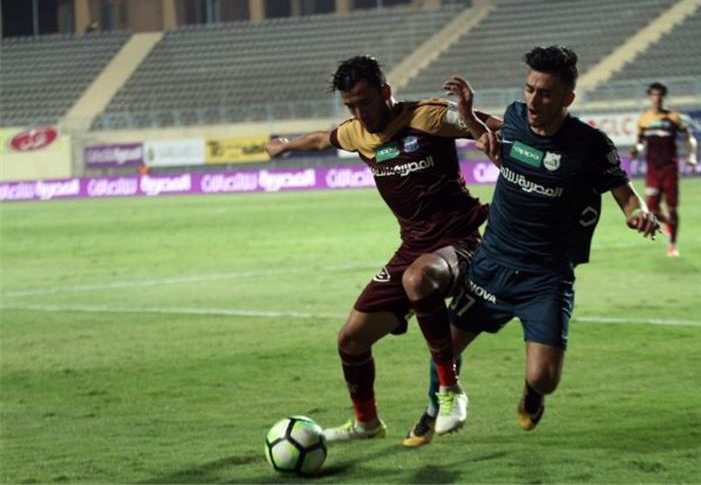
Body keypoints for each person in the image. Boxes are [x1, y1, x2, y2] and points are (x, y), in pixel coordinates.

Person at [404, 46, 660, 447]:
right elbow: (494, 146)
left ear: (567, 98)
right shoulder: (515, 117)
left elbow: (626, 195)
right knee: (443, 349)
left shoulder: (590, 145)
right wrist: (468, 115)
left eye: (545, 94)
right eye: (529, 90)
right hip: (493, 262)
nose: (534, 101)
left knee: (545, 377)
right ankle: (435, 408)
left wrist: (638, 214)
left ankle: (533, 392)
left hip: (545, 277)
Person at [264, 55, 502, 443]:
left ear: (386, 91)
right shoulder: (357, 133)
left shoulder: (428, 116)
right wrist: (286, 147)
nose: (360, 113)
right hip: (413, 248)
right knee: (351, 340)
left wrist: (482, 123)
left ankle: (450, 390)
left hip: (459, 242)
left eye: (365, 102)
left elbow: (493, 126)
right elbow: (323, 138)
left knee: (418, 278)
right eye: (350, 106)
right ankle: (366, 424)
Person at [629, 82, 696, 257]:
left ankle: (673, 244)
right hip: (652, 170)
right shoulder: (644, 119)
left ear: (663, 97)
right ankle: (668, 223)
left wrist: (692, 156)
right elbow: (640, 142)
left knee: (672, 208)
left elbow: (690, 137)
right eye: (653, 94)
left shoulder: (674, 117)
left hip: (669, 168)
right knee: (652, 210)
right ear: (649, 97)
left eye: (659, 95)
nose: (656, 98)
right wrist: (636, 149)